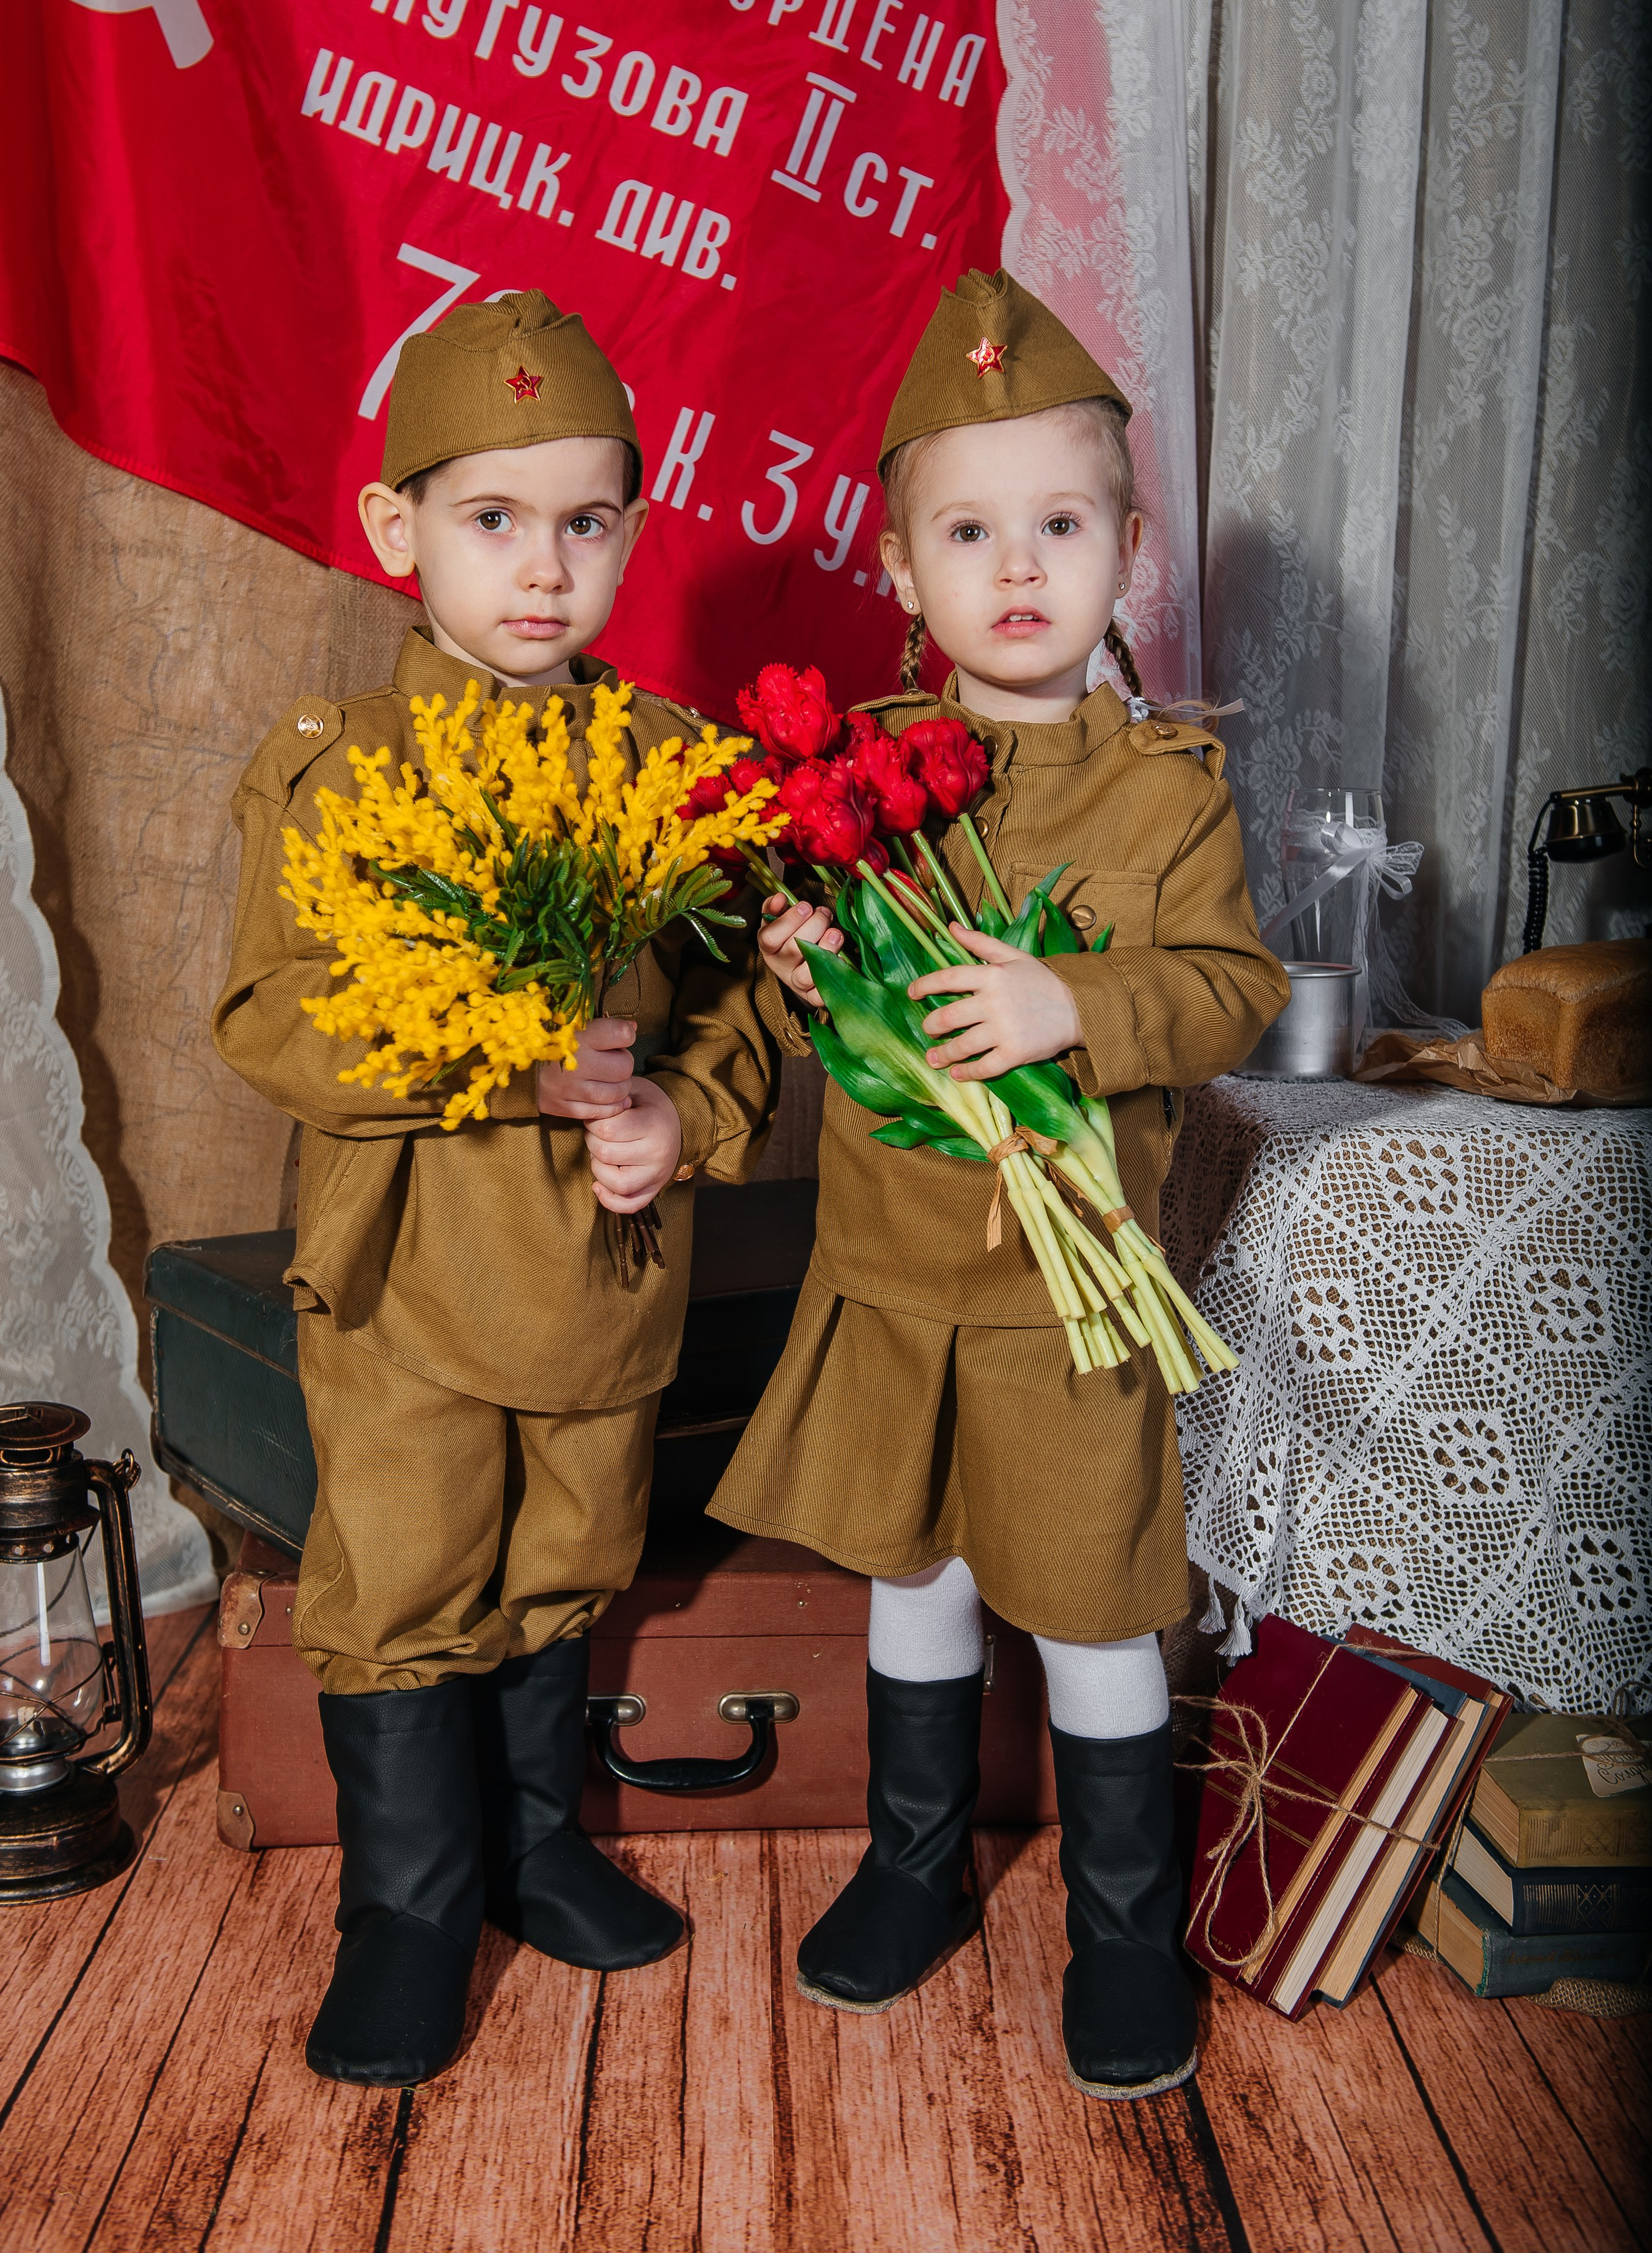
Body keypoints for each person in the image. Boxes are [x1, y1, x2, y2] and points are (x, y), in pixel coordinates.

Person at [711, 268, 1287, 2100]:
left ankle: (1122, 1930)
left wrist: (1075, 1004)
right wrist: (806, 975)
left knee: (1098, 1602)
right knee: (921, 1572)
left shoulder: (1166, 791)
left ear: (1128, 549)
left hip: (1066, 1293)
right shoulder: (858, 776)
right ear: (900, 563)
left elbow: (1233, 990)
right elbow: (831, 1033)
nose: (1019, 566)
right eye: (970, 531)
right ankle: (914, 1865)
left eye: (1061, 525)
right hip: (895, 1274)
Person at [213, 289, 777, 2088]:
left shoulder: (669, 768)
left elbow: (748, 1005)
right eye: (492, 518)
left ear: (632, 529)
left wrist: (684, 1111)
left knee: (566, 1556)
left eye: (586, 520)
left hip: (600, 1268)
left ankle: (537, 1852)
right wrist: (504, 1063)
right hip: (410, 1272)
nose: (543, 566)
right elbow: (272, 1016)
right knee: (409, 1565)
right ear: (398, 531)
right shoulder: (346, 764)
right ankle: (408, 1909)